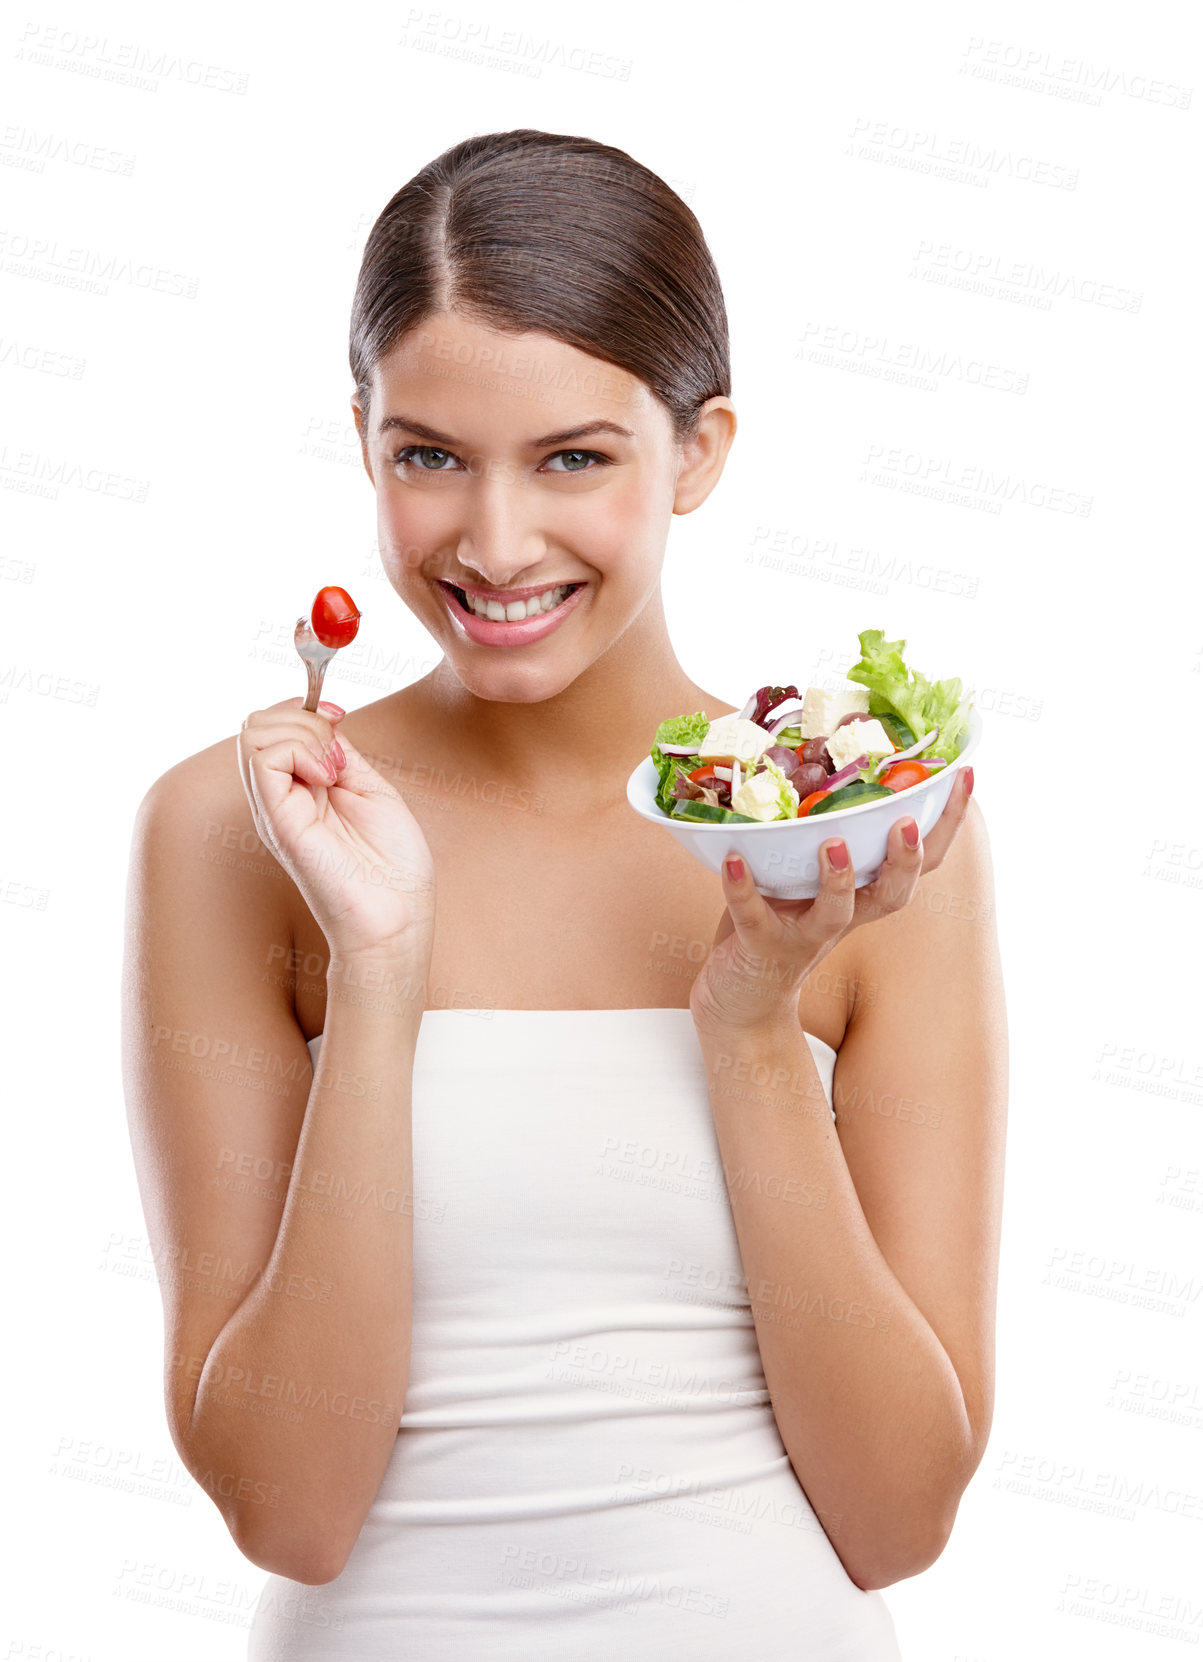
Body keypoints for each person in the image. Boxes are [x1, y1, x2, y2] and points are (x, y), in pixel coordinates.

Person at [122, 128, 1007, 1660]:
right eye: (429, 455)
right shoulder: (235, 832)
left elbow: (897, 1517)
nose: (496, 542)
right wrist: (382, 963)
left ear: (702, 451)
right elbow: (293, 1505)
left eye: (575, 458)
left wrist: (747, 1027)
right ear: (363, 439)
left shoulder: (868, 847)